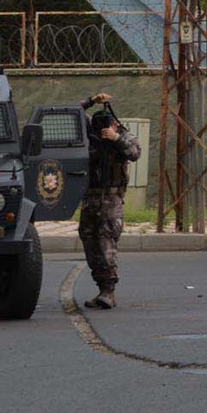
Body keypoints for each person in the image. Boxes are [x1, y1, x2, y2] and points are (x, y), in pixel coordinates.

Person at [79, 91, 141, 310]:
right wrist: (92, 101)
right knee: (90, 243)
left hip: (111, 200)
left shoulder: (122, 137)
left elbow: (135, 152)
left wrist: (116, 138)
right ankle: (101, 287)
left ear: (115, 124)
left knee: (106, 242)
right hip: (90, 198)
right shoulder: (91, 137)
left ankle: (109, 291)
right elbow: (73, 113)